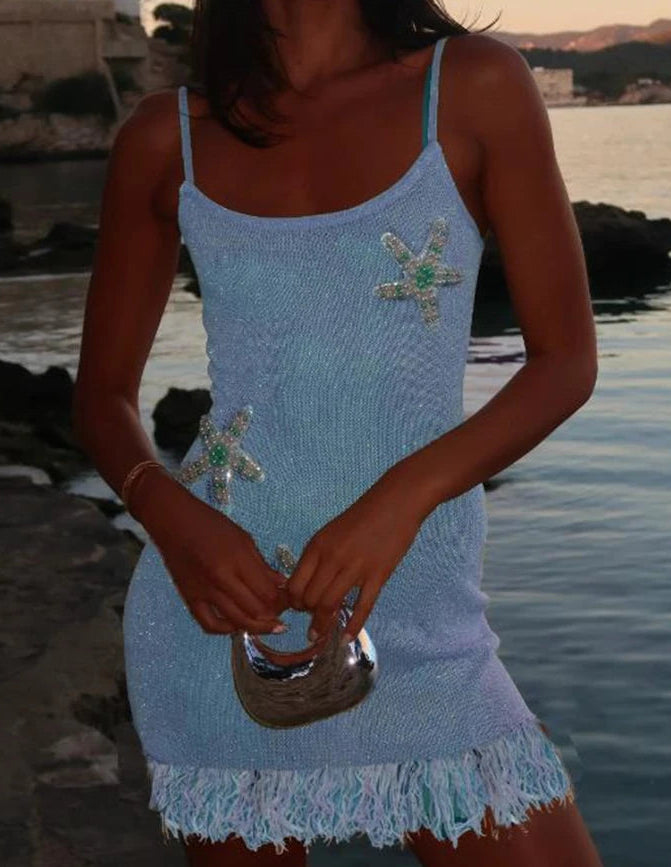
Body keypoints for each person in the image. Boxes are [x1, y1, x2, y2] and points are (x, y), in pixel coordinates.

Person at [72, 1, 604, 864]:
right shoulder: (165, 138)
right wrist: (172, 521)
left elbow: (563, 361)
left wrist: (402, 497)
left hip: (423, 611)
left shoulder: (469, 87)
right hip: (222, 614)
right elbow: (101, 397)